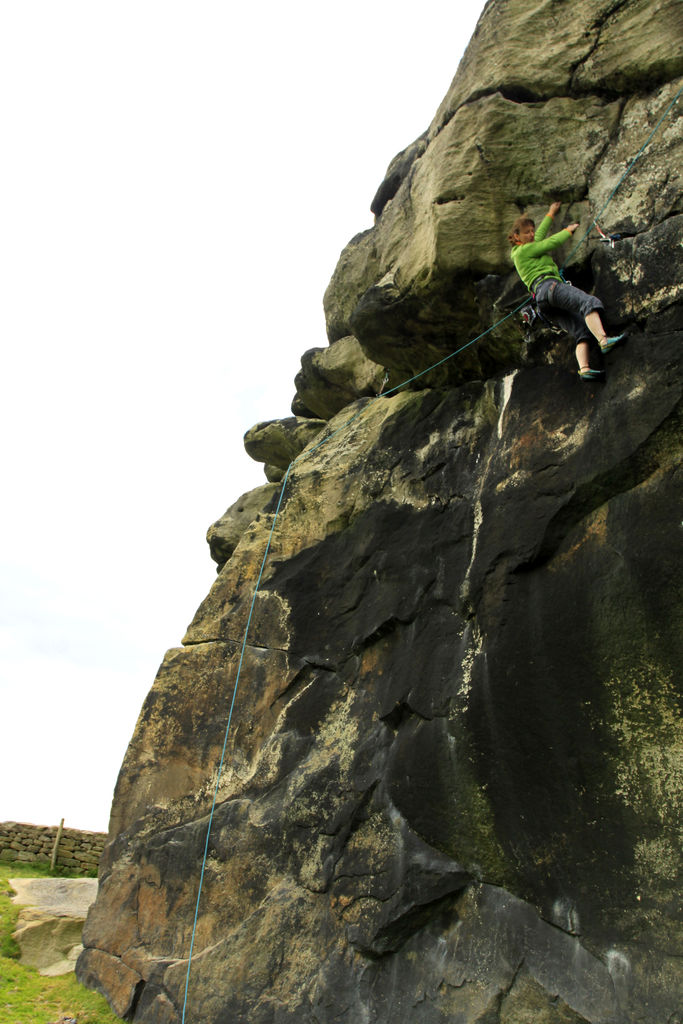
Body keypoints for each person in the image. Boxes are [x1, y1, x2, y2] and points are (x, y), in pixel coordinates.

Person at [509, 201, 625, 380]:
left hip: (543, 303)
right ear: (516, 236)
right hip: (550, 287)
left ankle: (585, 369)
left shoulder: (524, 250)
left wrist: (550, 213)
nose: (532, 234)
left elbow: (539, 236)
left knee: (580, 329)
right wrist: (569, 231)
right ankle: (603, 340)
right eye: (527, 232)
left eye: (532, 230)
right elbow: (549, 243)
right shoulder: (524, 250)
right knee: (588, 302)